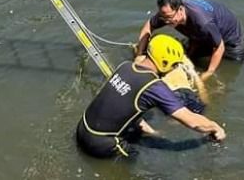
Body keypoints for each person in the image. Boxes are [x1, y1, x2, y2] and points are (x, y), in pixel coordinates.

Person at [76, 35, 225, 158]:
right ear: (165, 62)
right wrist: (215, 127)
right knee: (139, 159)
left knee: (138, 136)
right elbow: (190, 120)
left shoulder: (125, 66)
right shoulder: (154, 87)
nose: (174, 69)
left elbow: (123, 104)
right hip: (100, 144)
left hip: (82, 128)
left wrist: (151, 131)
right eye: (174, 65)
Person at [137, 0, 244, 80]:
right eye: (163, 17)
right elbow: (149, 26)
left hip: (228, 41)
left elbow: (220, 47)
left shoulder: (203, 22)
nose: (166, 21)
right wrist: (140, 54)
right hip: (201, 34)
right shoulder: (166, 14)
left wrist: (208, 73)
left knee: (227, 68)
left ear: (180, 9)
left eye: (169, 17)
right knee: (187, 56)